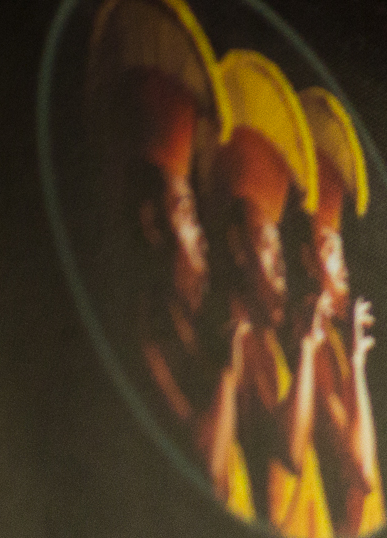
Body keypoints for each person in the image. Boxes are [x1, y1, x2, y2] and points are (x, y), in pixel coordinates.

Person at [86, 0, 247, 507]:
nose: (202, 239)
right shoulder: (143, 339)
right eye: (186, 214)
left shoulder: (184, 334)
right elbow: (207, 469)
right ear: (151, 224)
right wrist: (227, 371)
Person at [209, 48, 332, 538]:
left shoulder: (265, 342)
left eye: (282, 251)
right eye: (266, 245)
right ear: (237, 246)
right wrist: (306, 350)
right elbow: (286, 452)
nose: (281, 269)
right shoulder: (234, 336)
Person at [297, 87, 384, 538]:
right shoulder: (310, 348)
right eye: (330, 249)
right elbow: (360, 472)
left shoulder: (327, 340)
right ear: (305, 260)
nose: (343, 265)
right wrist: (357, 366)